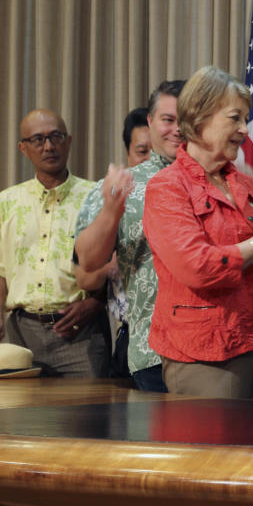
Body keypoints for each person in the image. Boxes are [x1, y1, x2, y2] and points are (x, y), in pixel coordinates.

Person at [142, 66, 253, 399]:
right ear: (199, 118)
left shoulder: (242, 181)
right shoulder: (166, 188)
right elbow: (197, 267)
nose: (243, 129)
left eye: (245, 119)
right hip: (208, 352)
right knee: (215, 449)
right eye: (234, 118)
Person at [0, 109, 109, 377]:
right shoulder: (6, 202)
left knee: (86, 416)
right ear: (23, 149)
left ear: (69, 141)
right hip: (22, 334)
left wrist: (95, 304)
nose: (48, 146)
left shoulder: (96, 197)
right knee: (25, 417)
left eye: (55, 137)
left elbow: (118, 266)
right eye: (37, 139)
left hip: (81, 335)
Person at [75, 80, 185, 392]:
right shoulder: (121, 184)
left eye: (184, 120)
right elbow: (88, 261)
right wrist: (112, 209)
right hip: (154, 353)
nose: (177, 129)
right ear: (150, 122)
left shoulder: (224, 179)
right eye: (168, 120)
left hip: (222, 349)